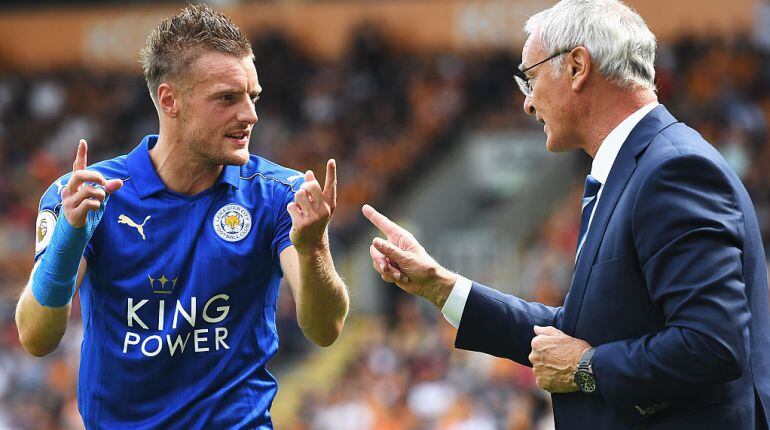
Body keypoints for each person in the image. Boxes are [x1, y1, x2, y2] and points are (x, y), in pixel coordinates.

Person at [362, 0, 770, 428]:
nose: (527, 103)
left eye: (530, 78)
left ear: (577, 67)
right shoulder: (635, 170)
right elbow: (573, 339)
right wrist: (440, 287)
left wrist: (587, 368)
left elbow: (712, 344)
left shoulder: (672, 170)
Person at [15, 5, 349, 429]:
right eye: (227, 98)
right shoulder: (87, 195)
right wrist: (70, 236)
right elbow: (36, 338)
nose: (250, 115)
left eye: (253, 96)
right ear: (170, 100)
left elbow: (325, 329)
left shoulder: (277, 195)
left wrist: (314, 247)